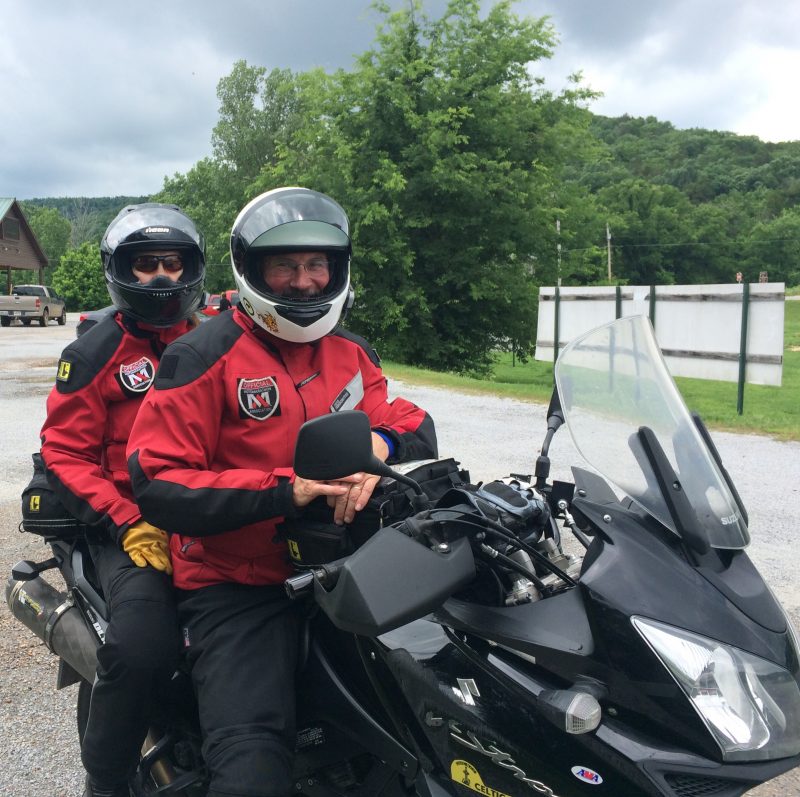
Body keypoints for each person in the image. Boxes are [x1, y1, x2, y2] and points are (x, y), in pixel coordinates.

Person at [126, 187, 437, 797]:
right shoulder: (200, 356)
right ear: (253, 270)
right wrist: (282, 492)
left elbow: (410, 421)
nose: (303, 282)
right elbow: (157, 482)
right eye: (285, 267)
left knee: (443, 714)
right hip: (240, 584)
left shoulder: (350, 353)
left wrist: (382, 448)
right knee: (253, 768)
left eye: (316, 265)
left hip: (352, 568)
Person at [39, 203, 206, 797]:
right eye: (144, 266)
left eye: (171, 263)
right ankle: (104, 780)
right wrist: (126, 518)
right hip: (127, 523)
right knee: (141, 647)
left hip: (210, 508)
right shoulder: (95, 350)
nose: (162, 277)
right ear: (120, 273)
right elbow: (64, 452)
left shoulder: (217, 334)